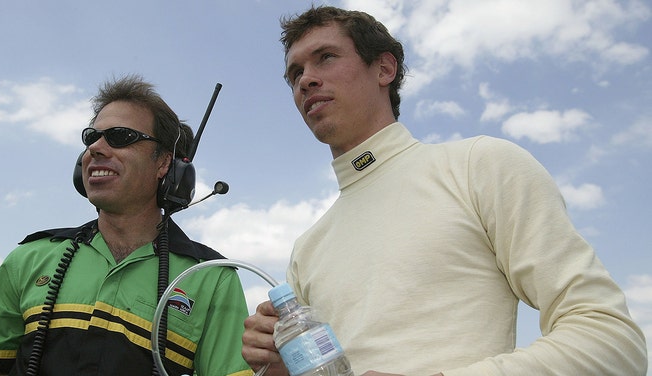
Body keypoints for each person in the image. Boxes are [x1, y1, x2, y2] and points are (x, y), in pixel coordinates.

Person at [241, 5, 648, 376]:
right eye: (295, 74)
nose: (306, 80)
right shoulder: (308, 248)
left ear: (384, 69)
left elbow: (614, 345)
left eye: (326, 58)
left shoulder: (479, 165)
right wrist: (280, 368)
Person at [0, 75, 253, 376]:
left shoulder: (211, 278)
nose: (95, 148)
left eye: (120, 136)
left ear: (165, 164)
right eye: (91, 137)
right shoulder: (28, 259)